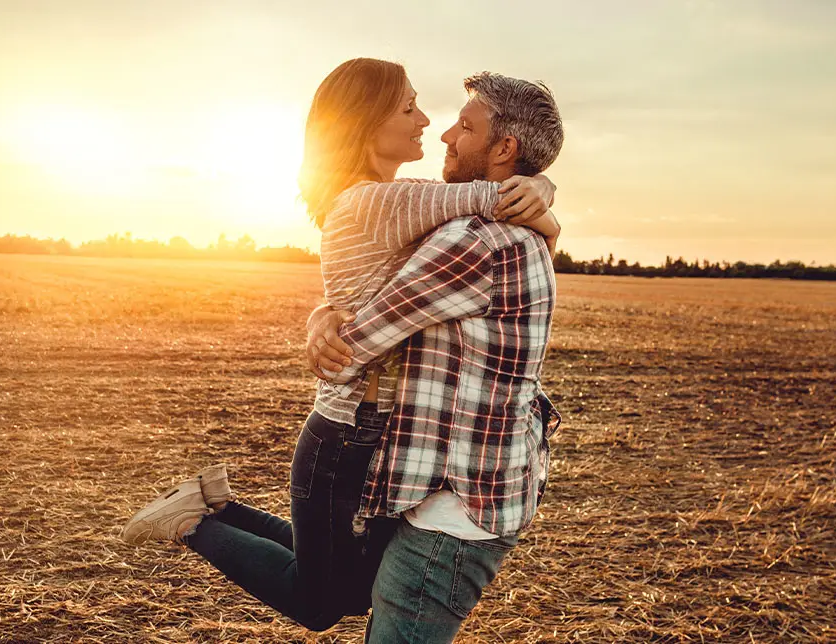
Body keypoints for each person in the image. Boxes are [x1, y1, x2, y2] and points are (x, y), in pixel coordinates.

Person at [120, 58, 560, 632]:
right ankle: (193, 522)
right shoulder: (378, 202)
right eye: (409, 107)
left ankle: (214, 505)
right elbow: (496, 200)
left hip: (375, 425)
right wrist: (541, 193)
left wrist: (540, 194)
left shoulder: (393, 200)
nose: (431, 123)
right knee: (322, 600)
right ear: (363, 122)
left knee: (342, 580)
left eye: (457, 122)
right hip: (350, 422)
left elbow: (494, 211)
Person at [306, 70, 564, 643]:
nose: (444, 134)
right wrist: (543, 194)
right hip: (477, 491)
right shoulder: (507, 232)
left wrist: (330, 325)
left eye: (465, 126)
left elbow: (353, 349)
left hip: (454, 510)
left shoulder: (472, 239)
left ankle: (200, 519)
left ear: (504, 149)